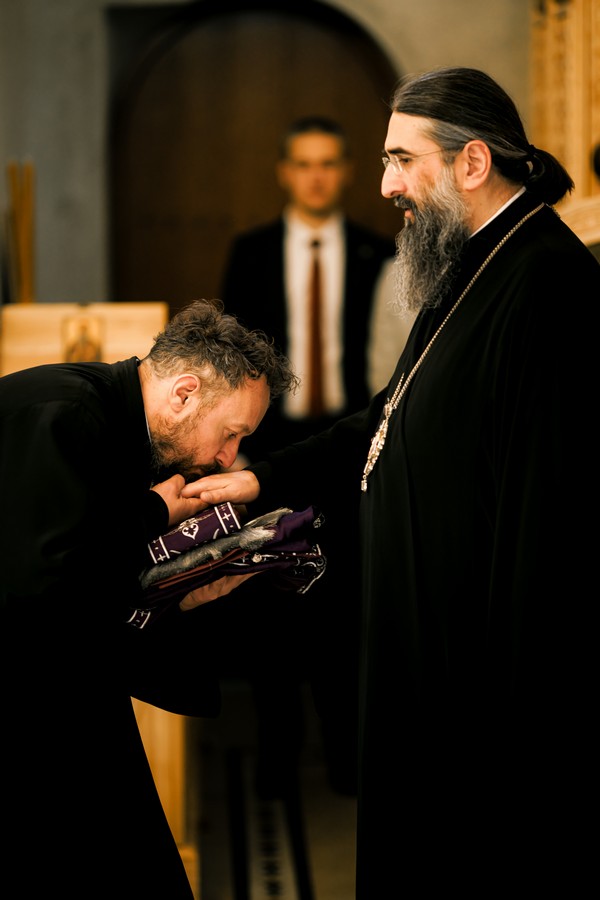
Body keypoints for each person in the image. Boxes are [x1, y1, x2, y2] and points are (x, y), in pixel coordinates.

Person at [182, 68, 599, 895]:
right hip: (422, 649)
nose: (386, 186)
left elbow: (549, 527)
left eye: (403, 160)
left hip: (475, 686)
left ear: (472, 163)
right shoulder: (473, 262)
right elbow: (388, 417)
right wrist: (263, 480)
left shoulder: (548, 283)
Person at [0, 299, 297, 899]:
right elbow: (45, 598)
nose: (228, 458)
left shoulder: (117, 423)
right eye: (232, 433)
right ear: (184, 393)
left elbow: (94, 586)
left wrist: (184, 590)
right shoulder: (67, 414)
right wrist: (155, 514)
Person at [217, 116, 397, 798]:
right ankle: (277, 760)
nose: (316, 176)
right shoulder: (252, 253)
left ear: (346, 172)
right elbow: (228, 361)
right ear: (285, 173)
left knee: (346, 607)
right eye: (303, 164)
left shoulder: (381, 254)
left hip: (351, 450)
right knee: (270, 611)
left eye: (328, 163)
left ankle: (349, 760)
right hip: (270, 451)